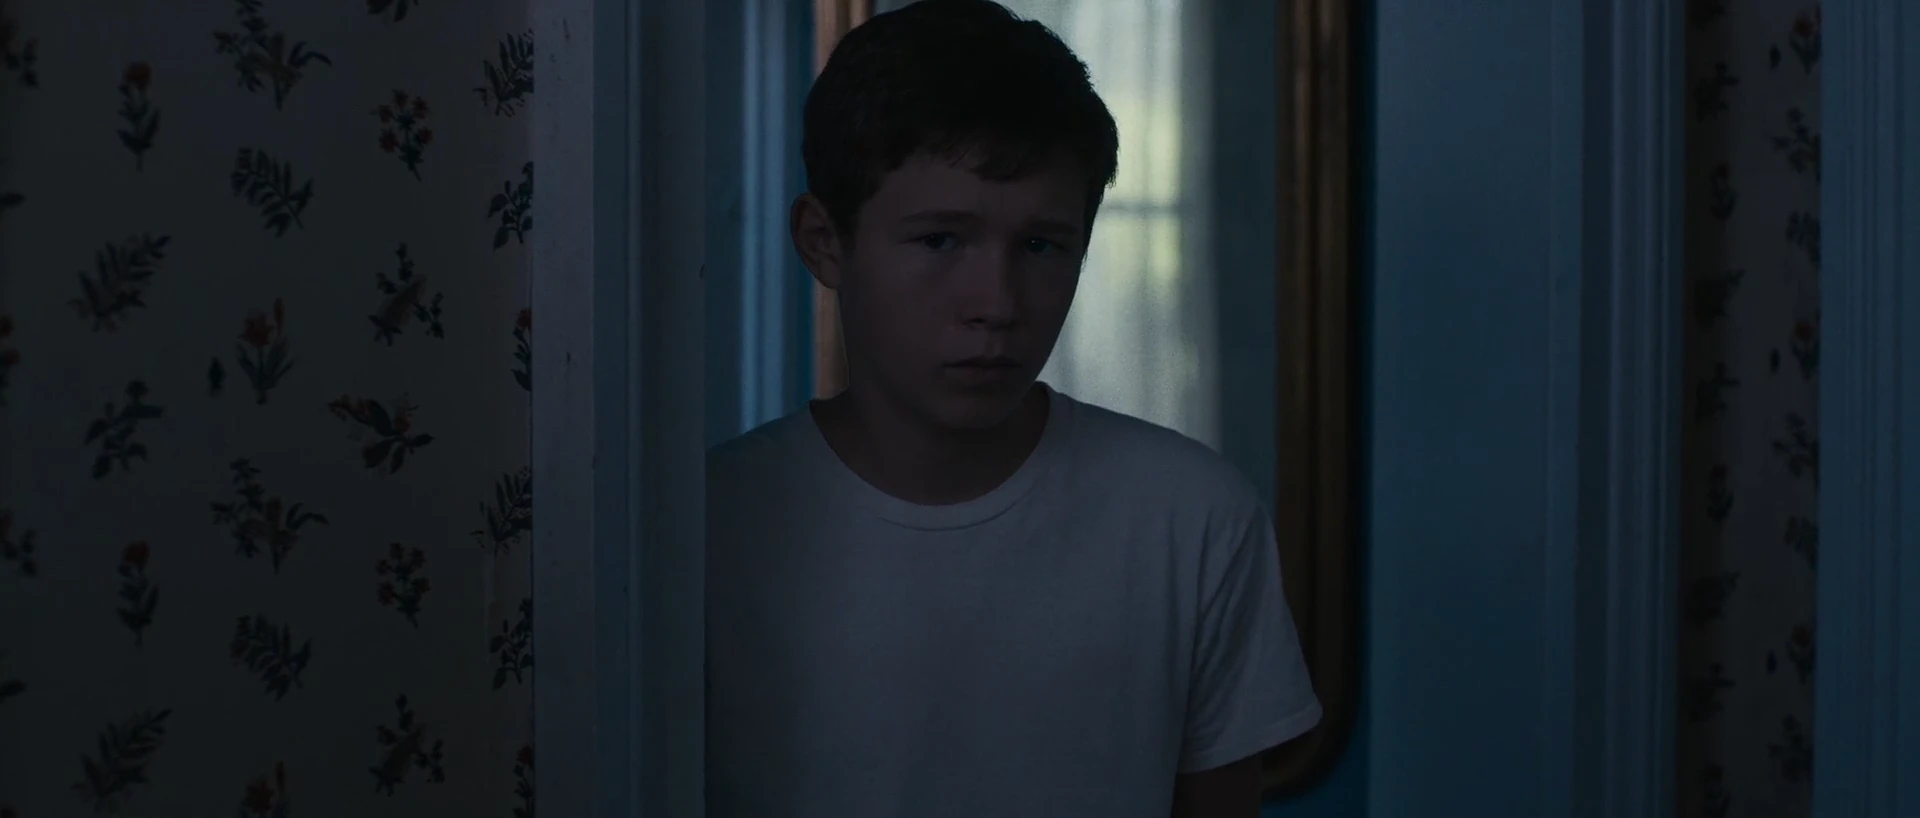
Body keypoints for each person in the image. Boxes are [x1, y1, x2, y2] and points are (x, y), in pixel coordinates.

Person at [705, 1, 1321, 815]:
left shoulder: (1189, 518)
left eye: (1040, 246)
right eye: (940, 240)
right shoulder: (707, 526)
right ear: (825, 241)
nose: (996, 303)